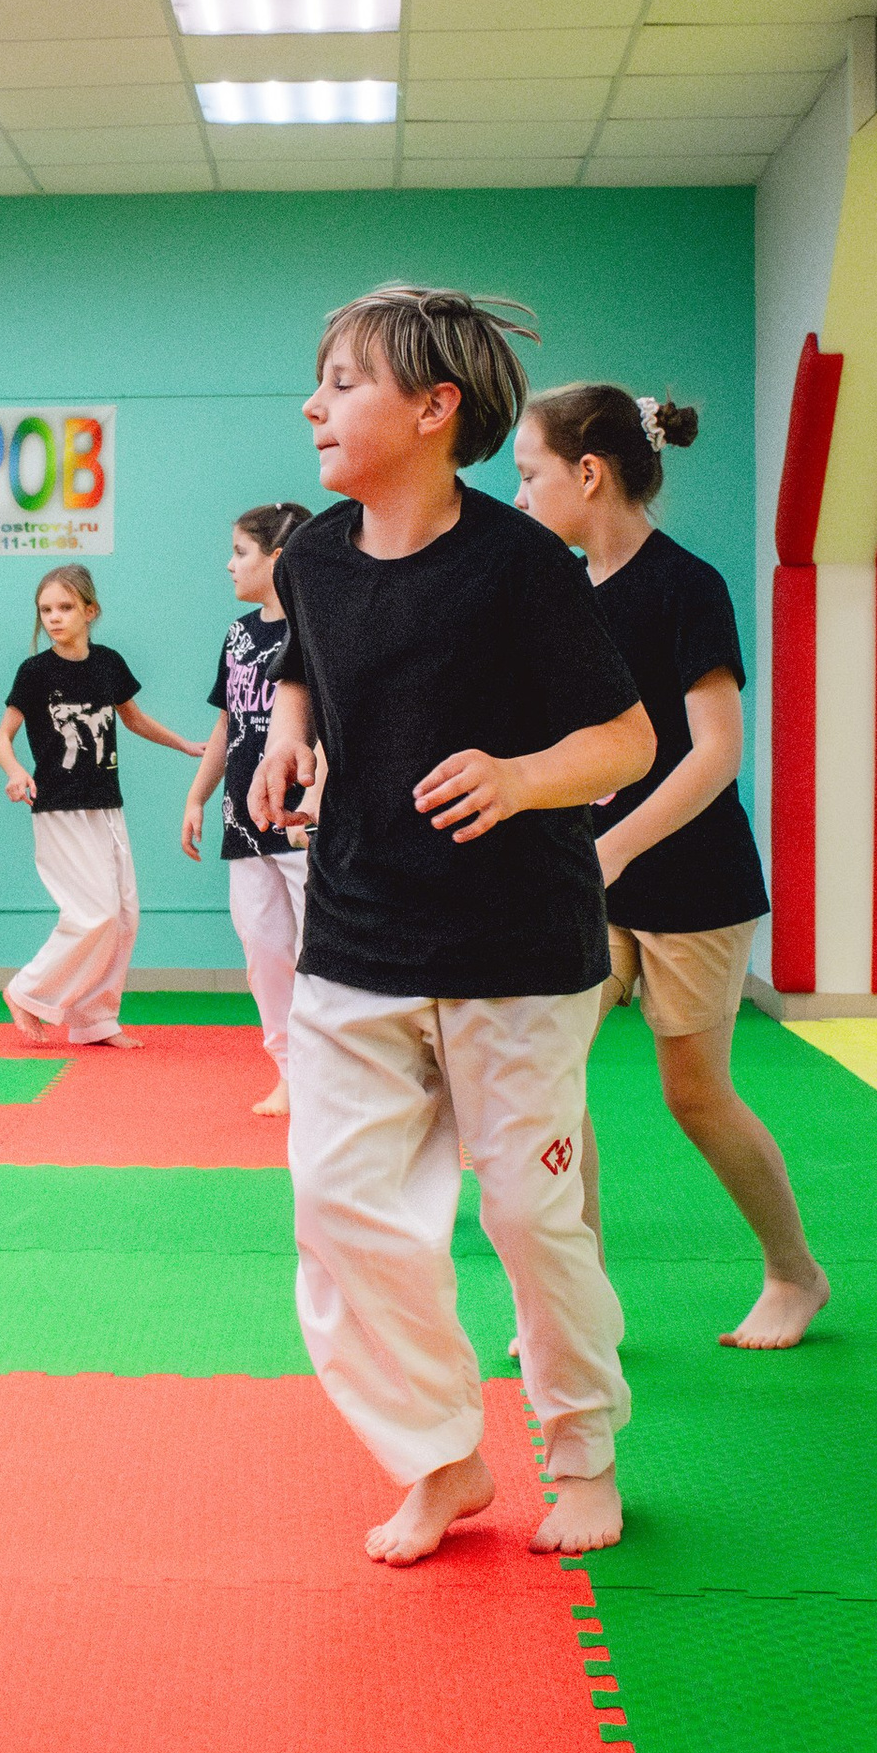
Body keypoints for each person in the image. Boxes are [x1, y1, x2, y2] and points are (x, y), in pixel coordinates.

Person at [252, 286, 656, 1566]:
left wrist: (523, 774)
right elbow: (315, 654)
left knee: (531, 1219)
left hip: (515, 949)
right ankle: (439, 1454)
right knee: (338, 1202)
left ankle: (581, 1451)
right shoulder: (312, 553)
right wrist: (287, 730)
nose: (314, 404)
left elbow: (629, 739)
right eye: (317, 379)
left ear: (435, 411)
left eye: (345, 382)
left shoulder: (521, 565)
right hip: (358, 934)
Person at [515, 383, 828, 1349]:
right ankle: (580, 1298)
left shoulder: (687, 587)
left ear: (590, 472)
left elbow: (715, 755)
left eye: (530, 476)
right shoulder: (557, 590)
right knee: (546, 1078)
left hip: (692, 882)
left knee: (695, 1097)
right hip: (588, 884)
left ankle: (794, 1272)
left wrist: (612, 845)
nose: (521, 496)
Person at [0, 562, 205, 1049]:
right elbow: (3, 736)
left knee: (124, 916)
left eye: (65, 607)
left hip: (106, 805)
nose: (54, 617)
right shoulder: (35, 672)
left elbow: (134, 720)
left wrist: (184, 744)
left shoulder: (108, 662)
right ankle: (25, 990)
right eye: (46, 609)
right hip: (59, 809)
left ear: (90, 610)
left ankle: (94, 1020)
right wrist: (16, 771)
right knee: (94, 914)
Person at [181, 505, 315, 1116]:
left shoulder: (317, 628)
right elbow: (228, 721)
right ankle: (289, 1070)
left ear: (278, 560)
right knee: (264, 952)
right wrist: (197, 796)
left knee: (321, 952)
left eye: (240, 551)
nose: (229, 563)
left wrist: (318, 798)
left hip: (303, 820)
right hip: (244, 820)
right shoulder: (238, 635)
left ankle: (332, 1074)